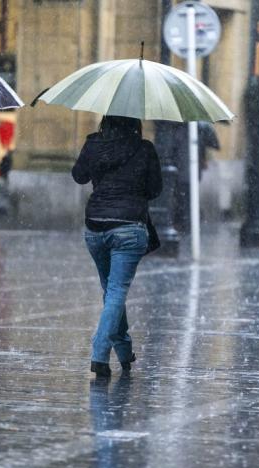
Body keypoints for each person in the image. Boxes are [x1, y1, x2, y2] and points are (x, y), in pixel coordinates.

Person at [72, 115, 162, 377]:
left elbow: (78, 175)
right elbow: (155, 189)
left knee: (111, 291)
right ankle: (99, 355)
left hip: (96, 226)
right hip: (128, 227)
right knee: (116, 292)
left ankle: (123, 350)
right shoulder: (144, 148)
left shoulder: (94, 143)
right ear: (134, 121)